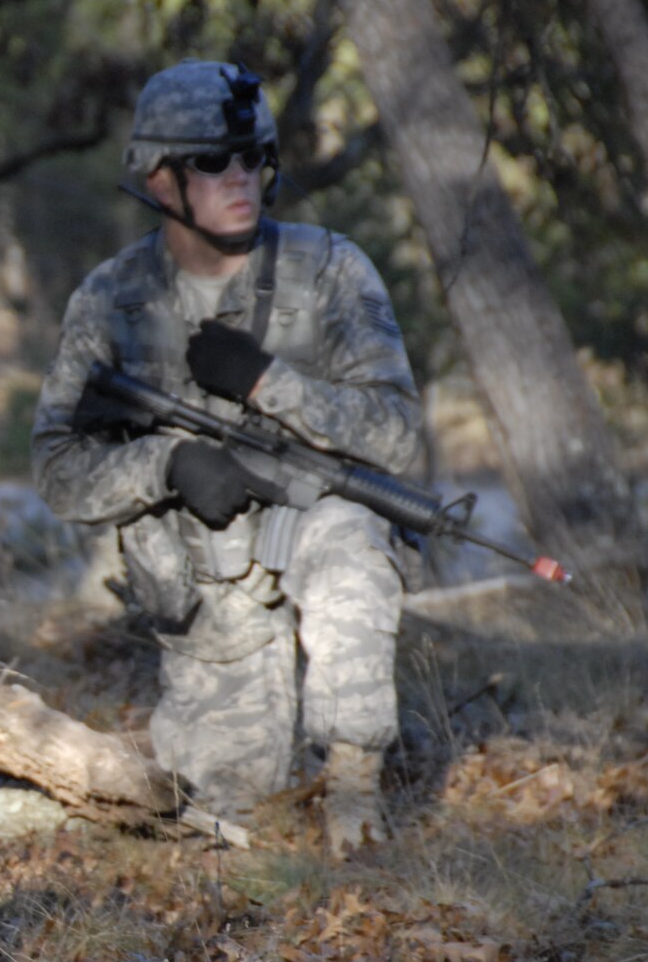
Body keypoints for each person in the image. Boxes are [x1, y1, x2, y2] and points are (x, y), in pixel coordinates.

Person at [31, 60, 423, 855]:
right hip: (211, 598)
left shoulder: (332, 270)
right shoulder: (112, 299)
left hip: (316, 533)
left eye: (254, 159)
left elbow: (399, 436)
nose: (239, 178)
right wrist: (166, 465)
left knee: (352, 533)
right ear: (157, 176)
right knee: (234, 822)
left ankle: (355, 789)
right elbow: (57, 468)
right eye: (211, 161)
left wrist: (269, 383)